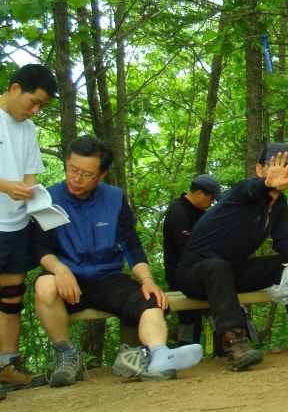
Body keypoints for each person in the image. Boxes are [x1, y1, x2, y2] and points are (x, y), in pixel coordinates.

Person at [32, 136, 203, 387]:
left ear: (101, 175)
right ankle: (67, 356)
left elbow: (130, 243)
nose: (76, 179)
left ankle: (158, 356)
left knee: (151, 298)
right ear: (66, 163)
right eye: (72, 170)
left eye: (86, 174)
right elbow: (40, 247)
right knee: (44, 285)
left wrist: (147, 280)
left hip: (107, 279)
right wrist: (60, 269)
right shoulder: (49, 198)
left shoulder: (113, 198)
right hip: (68, 281)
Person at [177, 143, 288, 371]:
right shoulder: (241, 192)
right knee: (216, 266)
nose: (282, 172)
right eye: (275, 166)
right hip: (195, 272)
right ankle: (235, 342)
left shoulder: (279, 205)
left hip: (232, 271)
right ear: (259, 170)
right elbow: (251, 190)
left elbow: (282, 241)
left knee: (287, 265)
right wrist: (266, 184)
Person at [0, 64, 57, 392]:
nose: (34, 110)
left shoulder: (28, 129)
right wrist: (6, 186)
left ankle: (7, 365)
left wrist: (37, 202)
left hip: (16, 224)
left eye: (41, 106)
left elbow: (31, 178)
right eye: (33, 102)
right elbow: (12, 183)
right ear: (15, 88)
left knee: (11, 296)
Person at [162, 174, 223, 346]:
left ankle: (198, 350)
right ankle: (225, 345)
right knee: (212, 312)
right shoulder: (179, 213)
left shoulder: (199, 213)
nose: (211, 204)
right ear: (198, 193)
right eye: (210, 199)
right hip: (182, 277)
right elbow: (186, 249)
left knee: (192, 318)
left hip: (198, 273)